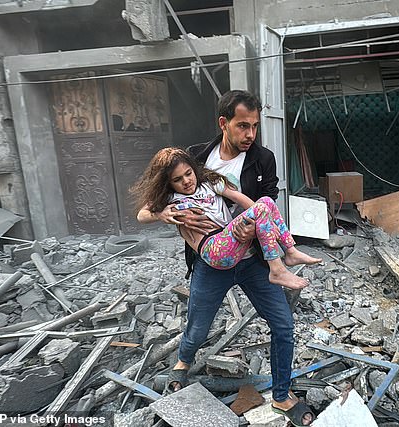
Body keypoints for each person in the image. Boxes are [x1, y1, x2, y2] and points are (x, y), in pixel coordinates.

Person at [132, 90, 316, 426]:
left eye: (255, 126)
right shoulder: (195, 158)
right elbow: (152, 206)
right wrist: (169, 217)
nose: (250, 134)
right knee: (197, 329)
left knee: (283, 326)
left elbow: (262, 201)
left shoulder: (263, 159)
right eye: (243, 126)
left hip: (252, 260)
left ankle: (281, 395)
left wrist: (253, 226)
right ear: (224, 123)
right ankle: (183, 362)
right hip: (210, 262)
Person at [135, 147, 320, 288]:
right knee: (262, 208)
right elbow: (141, 216)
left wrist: (264, 222)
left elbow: (241, 199)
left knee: (265, 202)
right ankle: (277, 270)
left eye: (188, 173)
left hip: (229, 240)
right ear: (167, 183)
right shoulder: (170, 198)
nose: (186, 181)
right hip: (214, 249)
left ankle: (290, 251)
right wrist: (160, 213)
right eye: (177, 180)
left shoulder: (209, 183)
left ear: (194, 168)